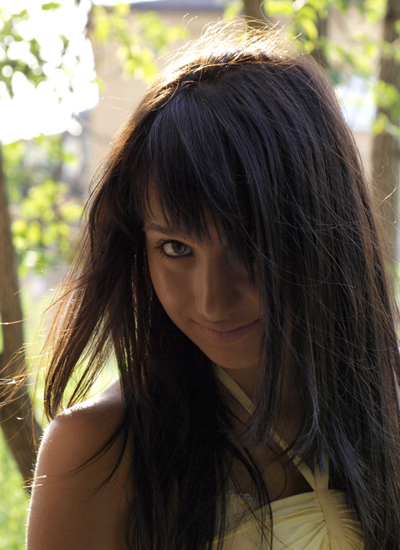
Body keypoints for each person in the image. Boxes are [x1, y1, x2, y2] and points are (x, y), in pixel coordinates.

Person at [26, 22, 400, 550]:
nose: (212, 300)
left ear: (324, 233)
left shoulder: (385, 408)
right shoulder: (99, 451)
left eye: (251, 246)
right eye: (175, 248)